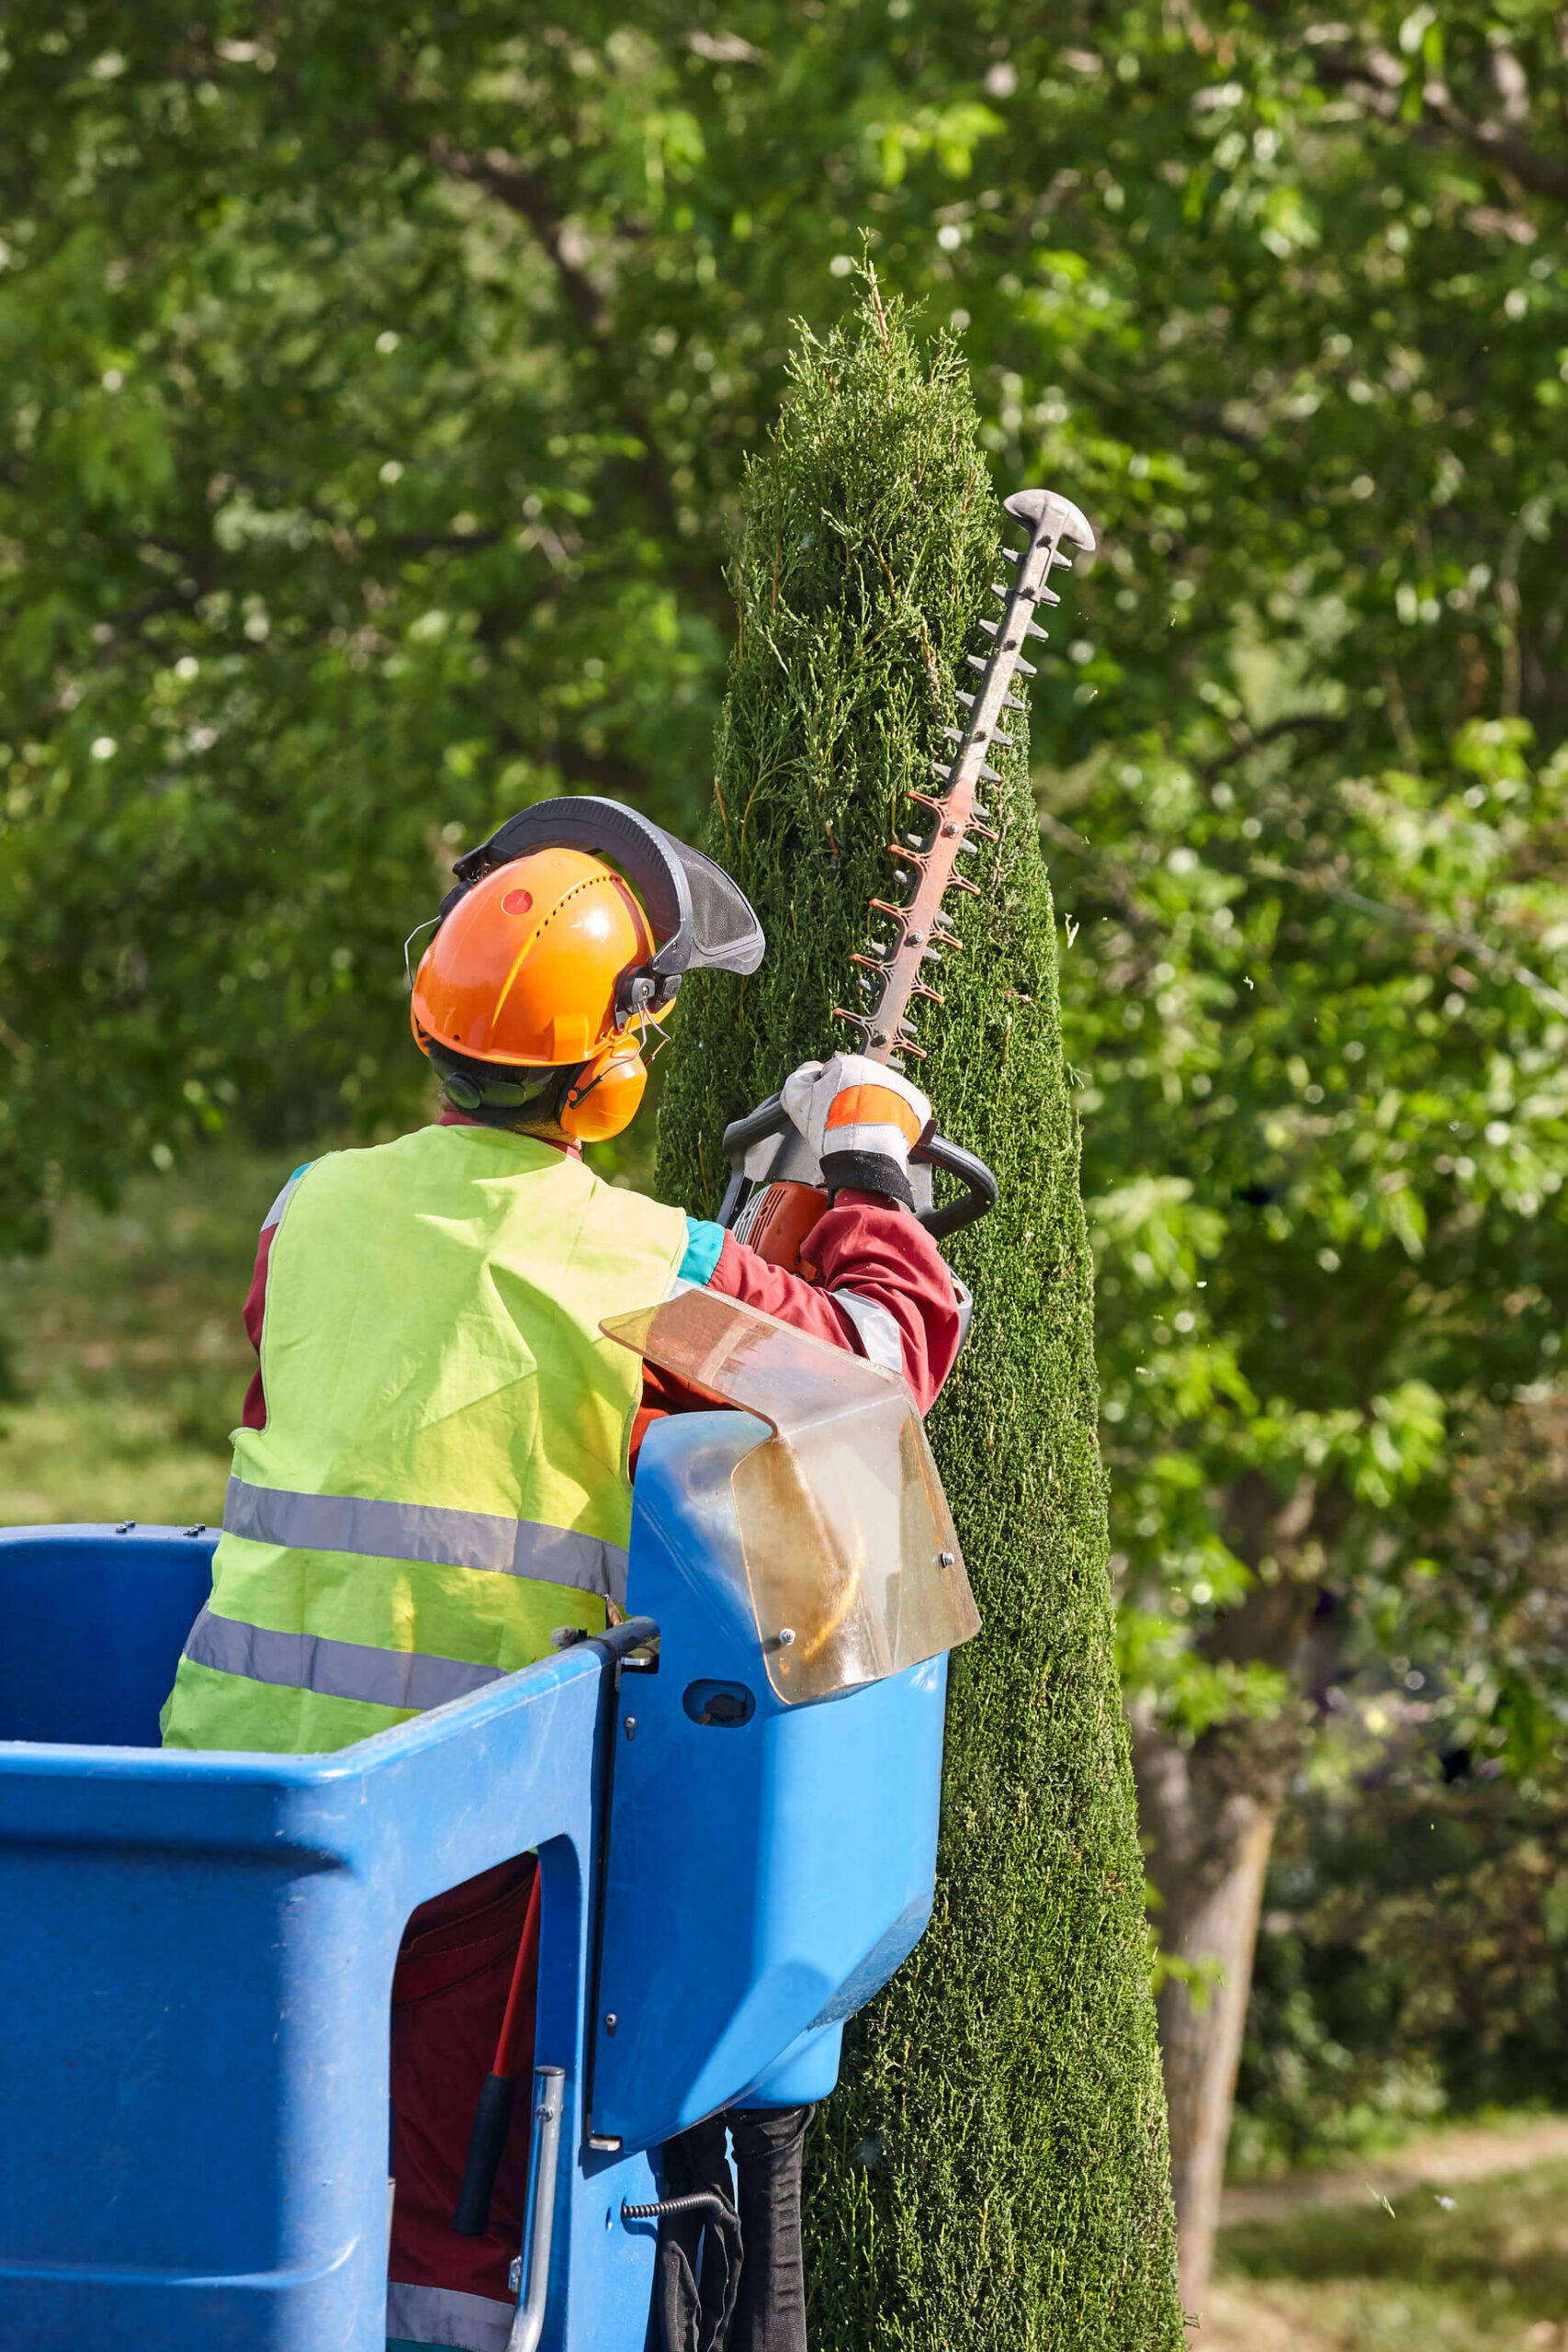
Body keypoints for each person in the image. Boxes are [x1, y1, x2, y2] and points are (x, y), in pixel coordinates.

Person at [161, 798, 964, 2352]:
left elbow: (432, 1371)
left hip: (231, 1801)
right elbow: (877, 1370)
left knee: (255, 2202)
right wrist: (867, 1170)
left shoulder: (305, 1207)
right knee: (454, 2248)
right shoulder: (644, 1263)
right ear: (616, 1070)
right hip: (474, 1832)